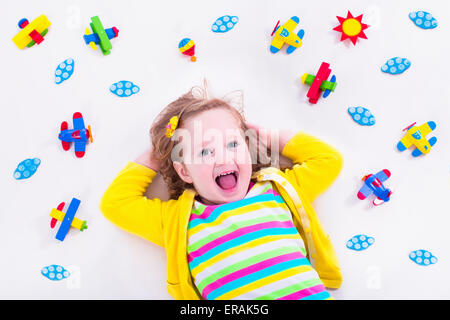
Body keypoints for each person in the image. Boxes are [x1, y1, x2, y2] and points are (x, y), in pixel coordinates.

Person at [100, 85, 344, 300]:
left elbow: (328, 160)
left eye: (233, 144)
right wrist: (154, 157)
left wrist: (272, 137)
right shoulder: (176, 220)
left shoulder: (279, 189)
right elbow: (116, 204)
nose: (224, 157)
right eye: (206, 152)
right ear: (184, 171)